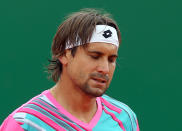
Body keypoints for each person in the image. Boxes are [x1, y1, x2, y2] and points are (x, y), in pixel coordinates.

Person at [0, 8, 140, 131]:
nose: (104, 69)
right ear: (64, 55)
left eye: (111, 59)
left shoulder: (124, 118)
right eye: (94, 56)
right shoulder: (25, 123)